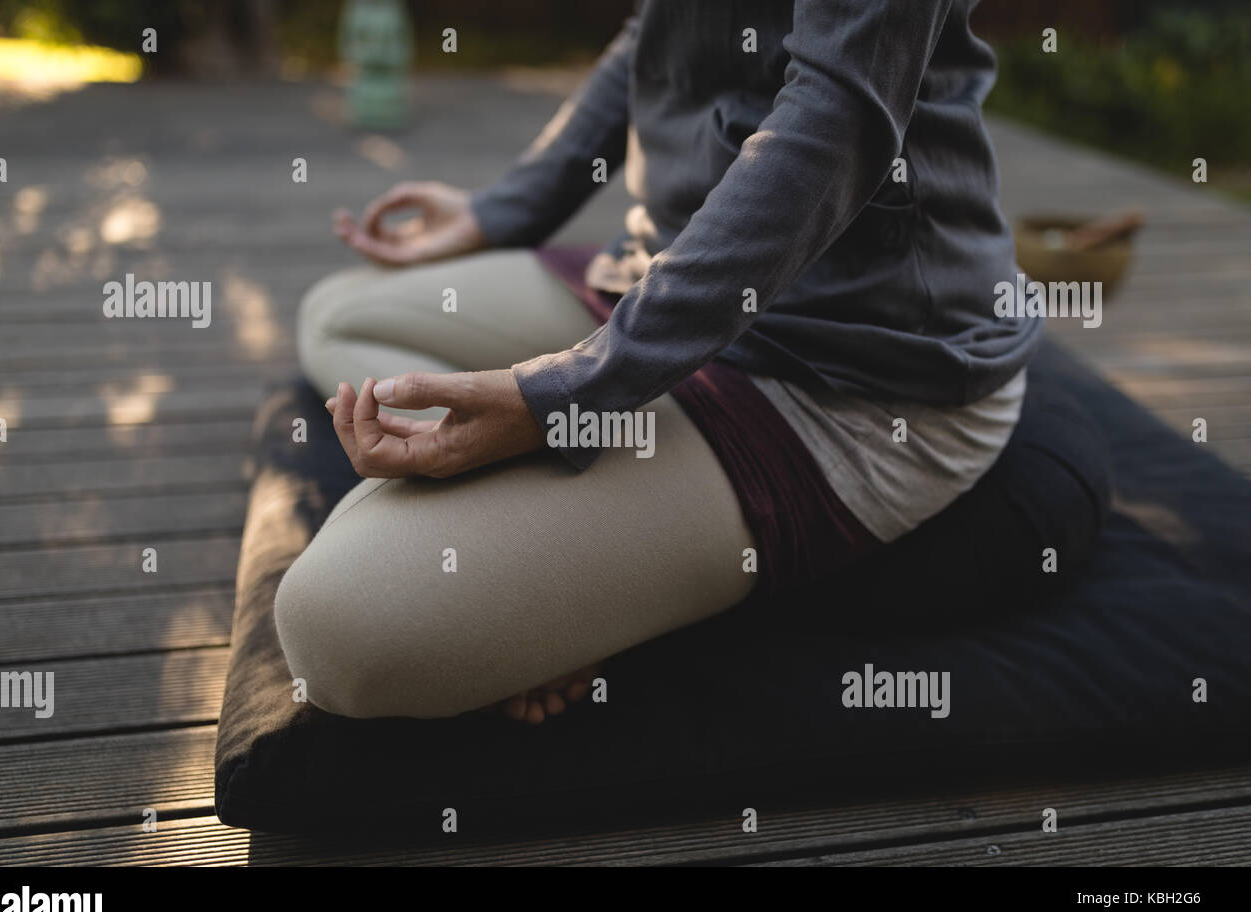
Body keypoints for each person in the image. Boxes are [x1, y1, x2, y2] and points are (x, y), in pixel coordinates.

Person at [274, 0, 1043, 724]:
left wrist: (574, 396)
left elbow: (834, 118)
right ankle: (574, 533)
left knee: (331, 627)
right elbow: (656, 28)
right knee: (339, 313)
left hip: (849, 369)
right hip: (669, 272)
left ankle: (577, 561)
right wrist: (499, 212)